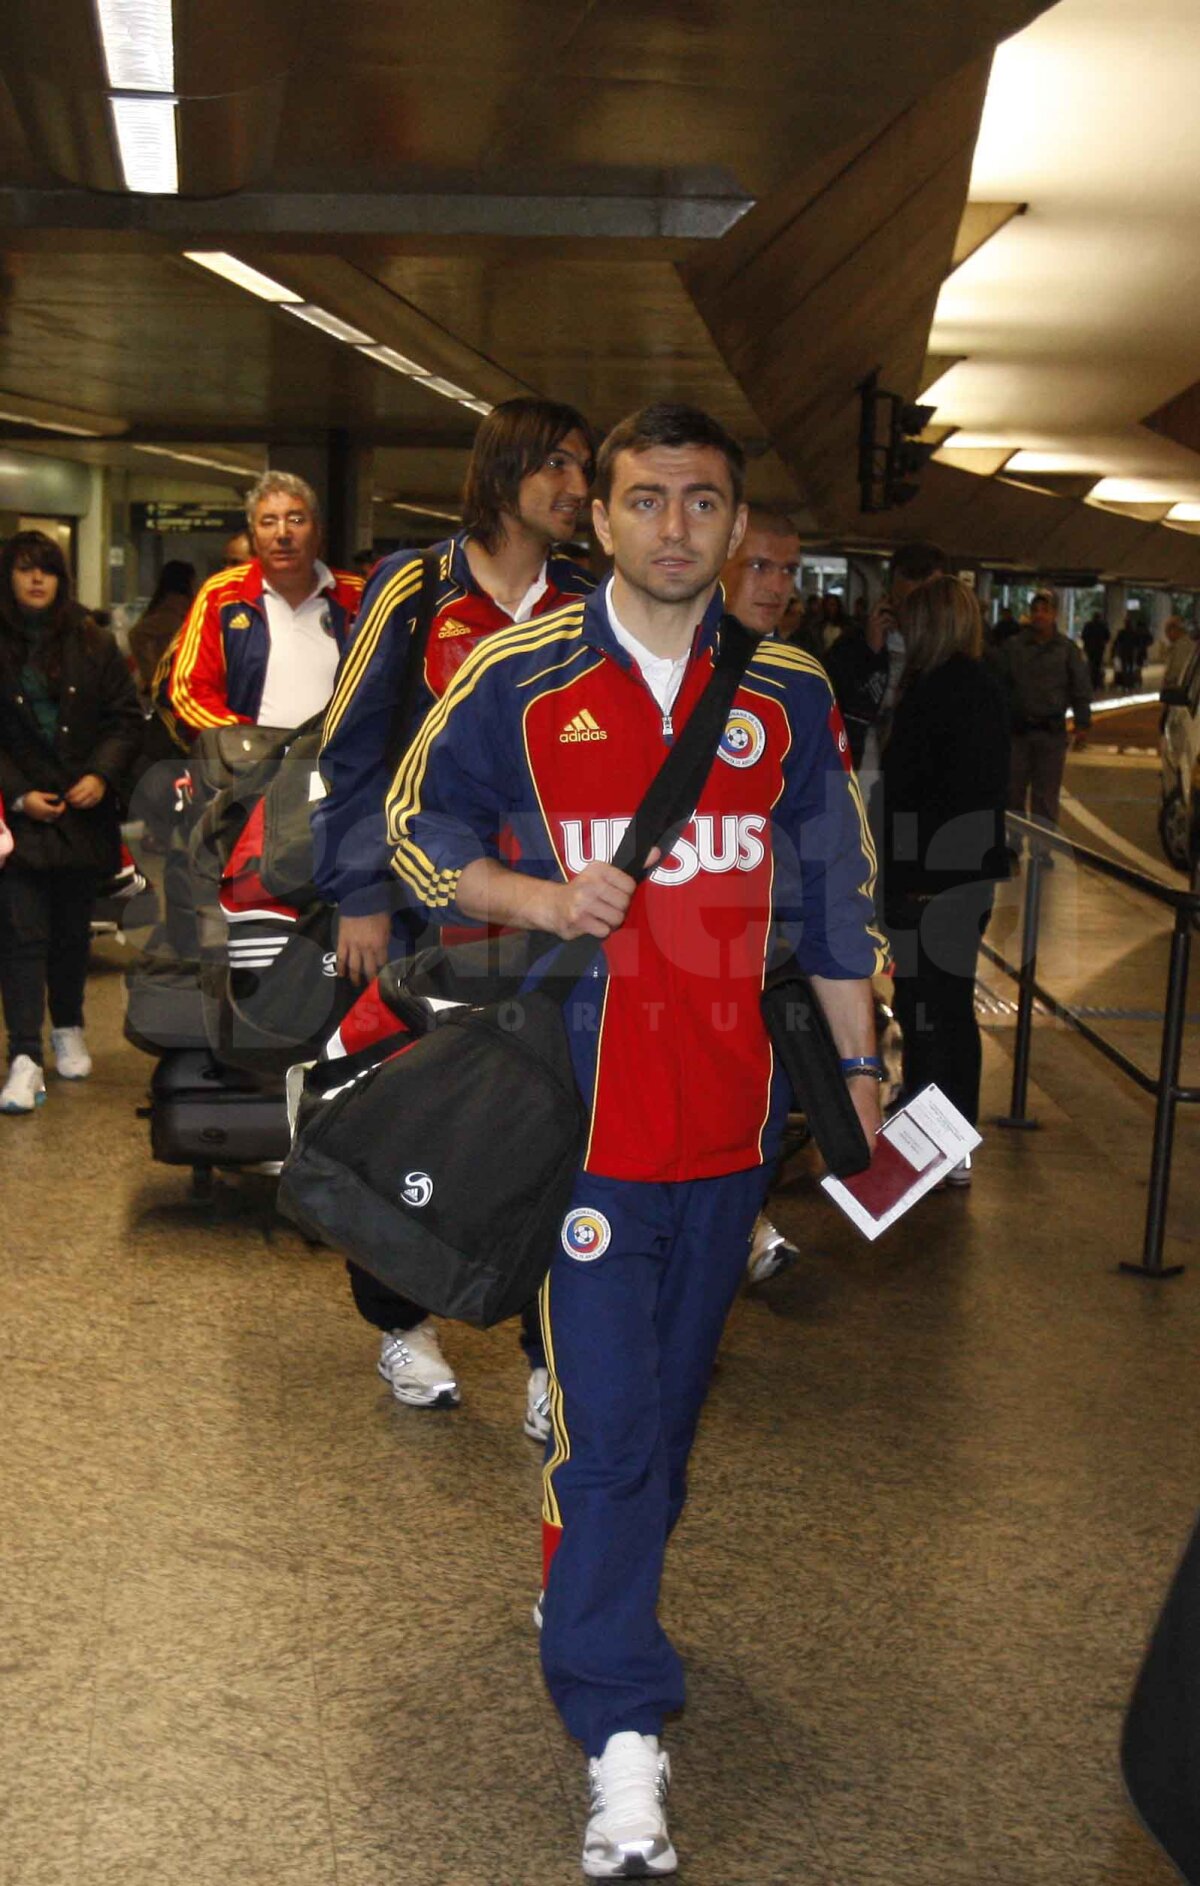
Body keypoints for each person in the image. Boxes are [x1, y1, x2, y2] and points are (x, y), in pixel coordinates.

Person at [386, 402, 886, 1879]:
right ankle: (621, 1736)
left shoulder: (787, 694)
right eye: (648, 499)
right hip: (581, 1139)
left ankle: (582, 1587)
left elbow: (838, 901)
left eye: (705, 502)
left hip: (734, 1135)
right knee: (606, 1440)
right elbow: (413, 826)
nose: (678, 527)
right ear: (596, 516)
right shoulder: (517, 677)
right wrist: (536, 899)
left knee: (662, 1428)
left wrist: (859, 1072)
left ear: (735, 526)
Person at [314, 396, 596, 1423]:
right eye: (559, 464)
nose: (577, 486)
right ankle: (400, 1321)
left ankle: (543, 1351)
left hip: (550, 917)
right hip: (431, 915)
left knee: (548, 1133)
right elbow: (350, 751)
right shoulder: (414, 585)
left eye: (586, 467)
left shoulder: (587, 600)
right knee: (412, 1122)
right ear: (506, 466)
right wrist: (359, 895)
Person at [0, 531, 141, 1112]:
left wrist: (102, 776)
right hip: (21, 817)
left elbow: (126, 719)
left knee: (69, 933)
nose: (37, 580)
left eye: (48, 570)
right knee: (22, 934)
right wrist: (16, 794)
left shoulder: (94, 642)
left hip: (83, 813)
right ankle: (25, 1052)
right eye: (26, 570)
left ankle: (70, 1027)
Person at [879, 575, 1010, 1186]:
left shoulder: (931, 694)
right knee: (951, 1012)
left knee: (926, 1012)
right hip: (969, 878)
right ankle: (954, 1145)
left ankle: (931, 1145)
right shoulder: (984, 687)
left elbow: (903, 794)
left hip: (926, 880)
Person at [719, 507, 807, 1284]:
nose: (776, 586)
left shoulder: (794, 682)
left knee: (753, 1128)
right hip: (662, 956)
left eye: (789, 571)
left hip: (764, 954)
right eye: (760, 567)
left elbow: (825, 837)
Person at [160, 472, 363, 735]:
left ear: (318, 532)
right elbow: (189, 690)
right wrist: (244, 742)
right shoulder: (221, 595)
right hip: (250, 767)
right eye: (268, 522)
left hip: (339, 766)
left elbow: (389, 685)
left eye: (296, 520)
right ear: (254, 538)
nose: (283, 534)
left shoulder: (357, 596)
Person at [994, 584, 1091, 858]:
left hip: (1051, 734)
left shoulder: (1067, 650)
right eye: (1035, 610)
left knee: (1045, 796)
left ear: (1054, 615)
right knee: (1013, 792)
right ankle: (1013, 843)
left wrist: (1083, 724)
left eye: (1045, 610)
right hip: (1018, 733)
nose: (1039, 615)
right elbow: (1000, 685)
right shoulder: (1013, 648)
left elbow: (1080, 687)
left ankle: (1042, 847)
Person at [128, 560, 196, 700]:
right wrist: (152, 673)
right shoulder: (173, 609)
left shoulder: (175, 607)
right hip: (171, 683)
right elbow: (137, 634)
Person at [1081, 610, 1110, 692]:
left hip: (1089, 648)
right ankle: (1097, 683)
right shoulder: (1103, 626)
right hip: (1099, 649)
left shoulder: (1088, 625)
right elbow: (1107, 637)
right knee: (1098, 665)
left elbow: (1083, 636)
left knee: (1090, 664)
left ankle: (1091, 682)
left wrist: (1087, 643)